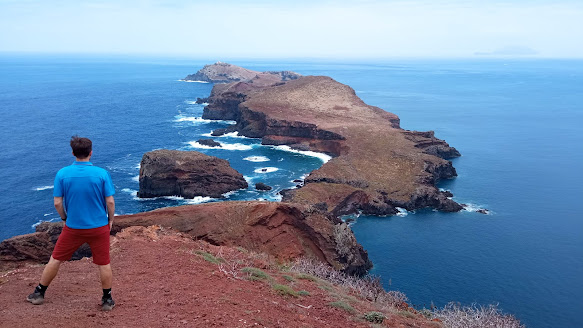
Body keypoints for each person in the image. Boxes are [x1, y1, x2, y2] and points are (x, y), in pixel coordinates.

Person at [26, 136, 116, 311]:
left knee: (55, 259)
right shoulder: (102, 174)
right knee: (104, 263)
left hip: (73, 227)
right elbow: (110, 202)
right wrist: (110, 220)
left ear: (73, 153)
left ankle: (39, 294)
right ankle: (107, 300)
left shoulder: (62, 174)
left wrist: (65, 219)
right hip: (98, 227)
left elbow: (57, 203)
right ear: (91, 152)